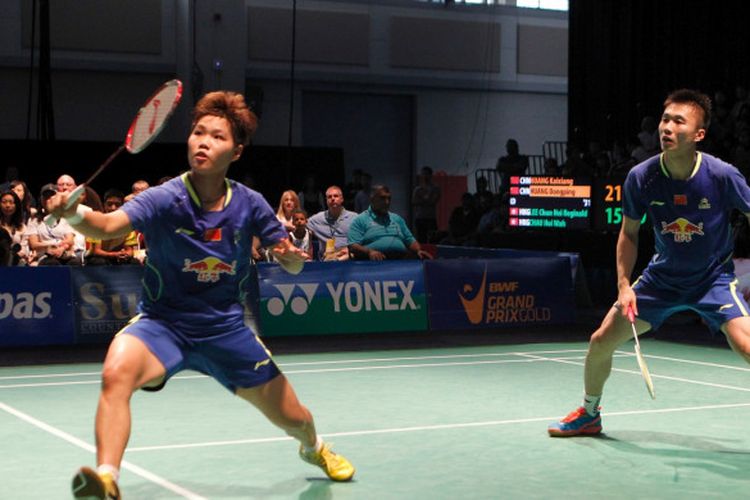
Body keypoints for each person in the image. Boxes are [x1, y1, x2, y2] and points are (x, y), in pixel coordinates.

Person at [48, 90, 355, 499]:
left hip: (225, 330)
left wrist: (289, 258)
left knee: (295, 418)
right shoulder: (164, 198)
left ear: (237, 151)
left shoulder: (250, 204)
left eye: (217, 136)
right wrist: (73, 212)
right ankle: (106, 479)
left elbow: (292, 263)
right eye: (198, 132)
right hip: (162, 324)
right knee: (115, 373)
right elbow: (105, 227)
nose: (203, 142)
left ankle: (314, 448)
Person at [548, 89, 750, 437]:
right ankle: (590, 413)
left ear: (699, 134)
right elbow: (628, 233)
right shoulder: (642, 177)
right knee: (600, 341)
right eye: (665, 119)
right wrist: (624, 286)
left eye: (679, 121)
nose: (667, 127)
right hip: (661, 280)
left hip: (713, 280)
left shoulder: (722, 176)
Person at [348, 184, 432, 260]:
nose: (387, 202)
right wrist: (369, 252)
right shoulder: (361, 219)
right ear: (372, 199)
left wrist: (418, 250)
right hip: (373, 262)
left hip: (400, 260)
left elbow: (410, 239)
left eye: (389, 198)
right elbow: (353, 246)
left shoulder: (397, 219)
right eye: (382, 198)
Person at [26, 184, 78, 266]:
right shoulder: (34, 220)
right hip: (45, 255)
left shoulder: (66, 217)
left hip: (64, 253)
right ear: (41, 199)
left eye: (51, 196)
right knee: (52, 263)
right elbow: (34, 244)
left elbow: (70, 240)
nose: (48, 199)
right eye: (45, 197)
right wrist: (49, 246)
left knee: (75, 263)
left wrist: (61, 248)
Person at [86, 189, 138, 265]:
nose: (113, 208)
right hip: (98, 257)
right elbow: (96, 251)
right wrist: (114, 255)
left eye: (117, 205)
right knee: (99, 262)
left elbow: (129, 251)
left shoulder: (127, 225)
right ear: (104, 206)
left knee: (134, 262)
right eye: (109, 204)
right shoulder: (96, 223)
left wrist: (125, 255)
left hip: (117, 257)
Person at [307, 185, 356, 261]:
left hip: (347, 259)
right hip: (325, 261)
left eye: (336, 196)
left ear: (342, 199)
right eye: (329, 197)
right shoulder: (317, 219)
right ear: (326, 200)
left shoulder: (354, 218)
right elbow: (300, 223)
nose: (333, 199)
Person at [411, 166, 441, 243]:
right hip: (420, 218)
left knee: (433, 239)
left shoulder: (435, 188)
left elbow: (433, 201)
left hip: (430, 218)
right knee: (421, 240)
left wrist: (421, 198)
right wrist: (426, 199)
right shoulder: (417, 189)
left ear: (430, 175)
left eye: (426, 174)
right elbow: (414, 202)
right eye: (423, 174)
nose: (424, 176)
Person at [0, 189, 30, 265]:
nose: (7, 205)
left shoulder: (22, 227)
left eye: (11, 202)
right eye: (4, 202)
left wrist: (18, 253)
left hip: (16, 261)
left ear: (16, 205)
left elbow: (24, 248)